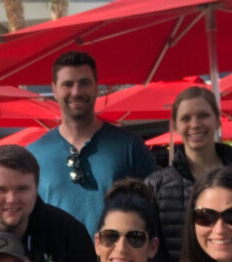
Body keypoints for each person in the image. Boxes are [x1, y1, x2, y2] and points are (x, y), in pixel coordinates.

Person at [145, 86, 232, 262]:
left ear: (218, 120)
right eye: (186, 118)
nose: (195, 124)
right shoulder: (156, 186)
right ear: (174, 125)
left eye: (203, 115)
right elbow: (155, 257)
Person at [27, 50, 156, 235]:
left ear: (96, 87)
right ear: (54, 89)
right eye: (68, 84)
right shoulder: (33, 155)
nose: (76, 92)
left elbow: (151, 214)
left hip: (116, 259)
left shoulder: (130, 147)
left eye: (84, 83)